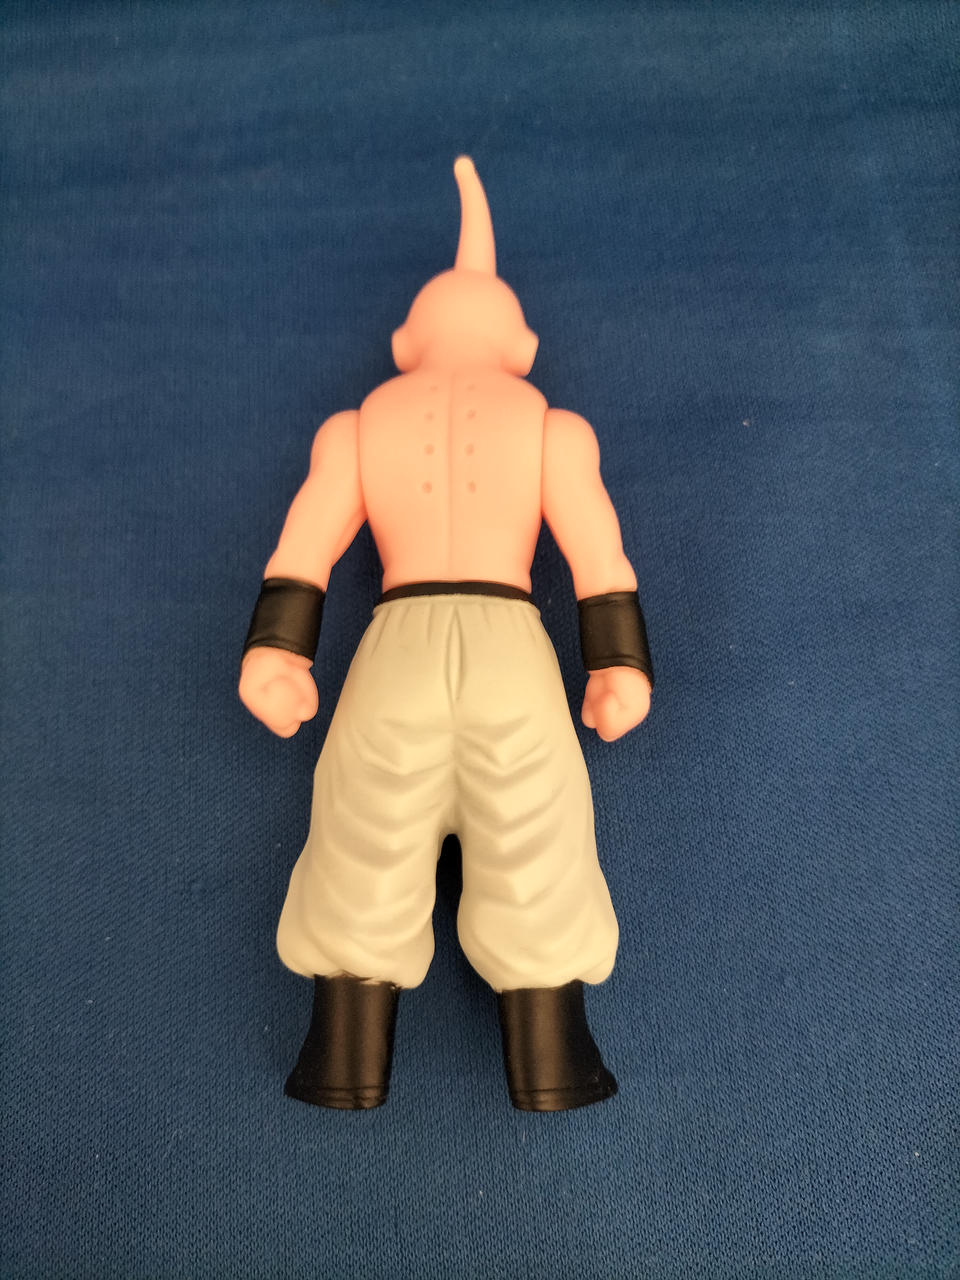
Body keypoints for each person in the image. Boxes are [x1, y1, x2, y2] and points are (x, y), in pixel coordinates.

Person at [240, 158, 654, 1112]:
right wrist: (618, 663)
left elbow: (305, 547)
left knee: (365, 825)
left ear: (404, 344)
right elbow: (599, 555)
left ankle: (343, 1049)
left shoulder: (360, 427)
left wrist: (278, 652)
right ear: (522, 345)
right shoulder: (550, 426)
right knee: (537, 827)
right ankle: (553, 1053)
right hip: (512, 648)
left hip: (398, 646)